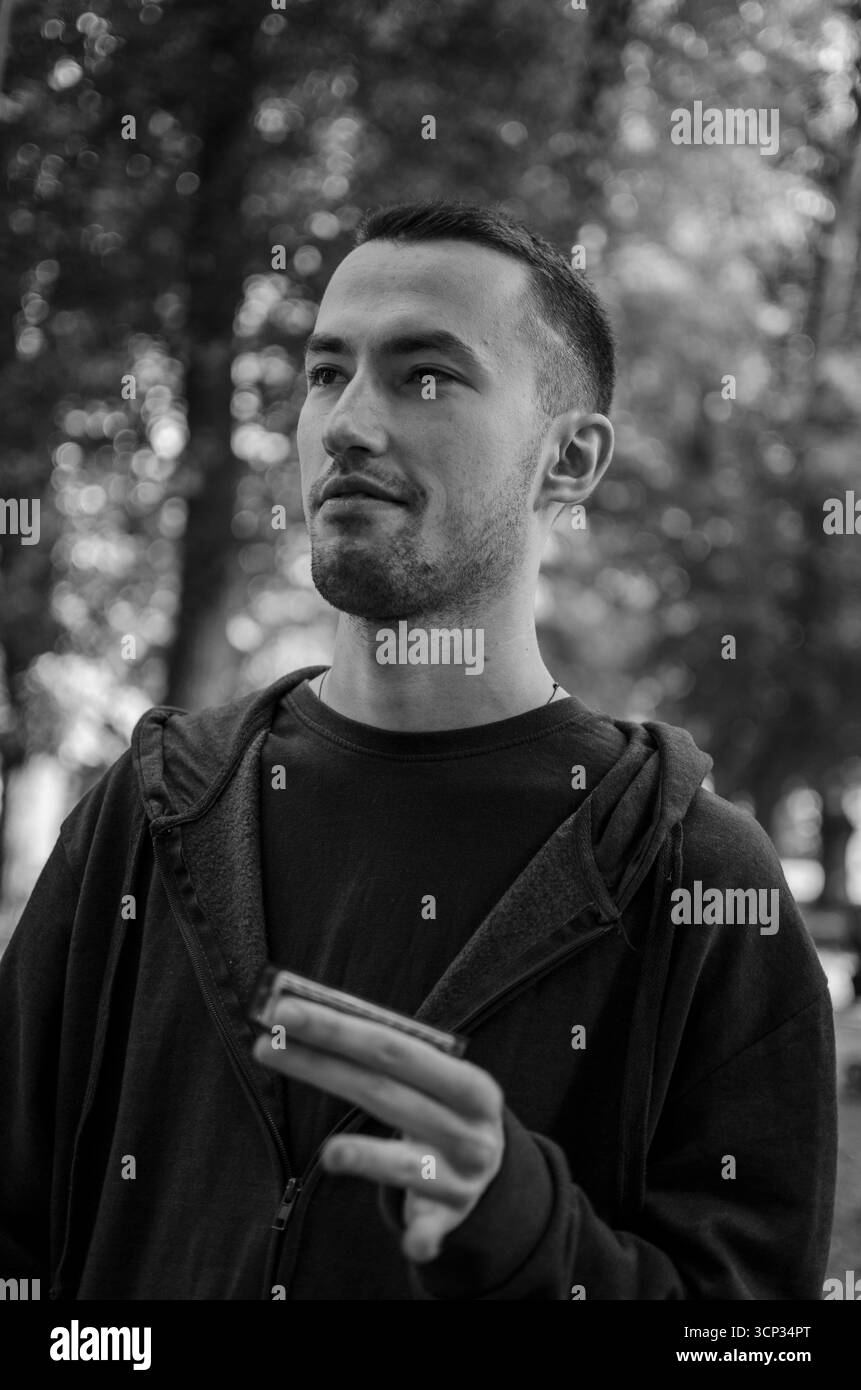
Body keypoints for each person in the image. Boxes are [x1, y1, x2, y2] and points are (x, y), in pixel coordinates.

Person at [0, 201, 836, 1300]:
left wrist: (526, 1231)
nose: (346, 422)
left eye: (424, 375)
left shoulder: (702, 882)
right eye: (325, 372)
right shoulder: (150, 815)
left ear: (570, 459)